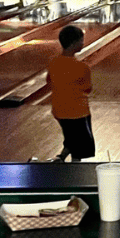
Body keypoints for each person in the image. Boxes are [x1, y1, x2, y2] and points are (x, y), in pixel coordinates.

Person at [46, 24, 95, 161]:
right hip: (78, 113)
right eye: (81, 40)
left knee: (71, 136)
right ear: (75, 43)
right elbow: (88, 88)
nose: (83, 43)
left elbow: (48, 81)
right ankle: (75, 170)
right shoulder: (82, 68)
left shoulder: (53, 62)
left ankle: (60, 158)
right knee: (80, 147)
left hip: (59, 111)